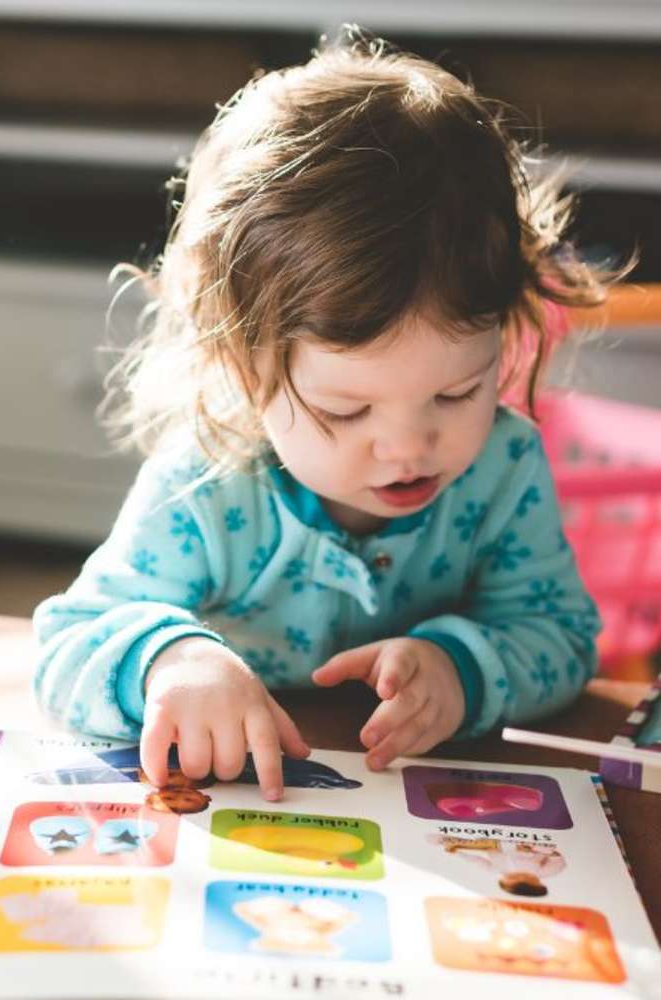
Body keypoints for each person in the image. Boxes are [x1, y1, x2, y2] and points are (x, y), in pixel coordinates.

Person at [33, 32, 614, 801]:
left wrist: (461, 668)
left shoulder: (503, 469)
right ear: (241, 366)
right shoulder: (205, 486)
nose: (410, 445)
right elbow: (68, 642)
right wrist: (172, 661)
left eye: (457, 392)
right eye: (346, 409)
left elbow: (562, 639)